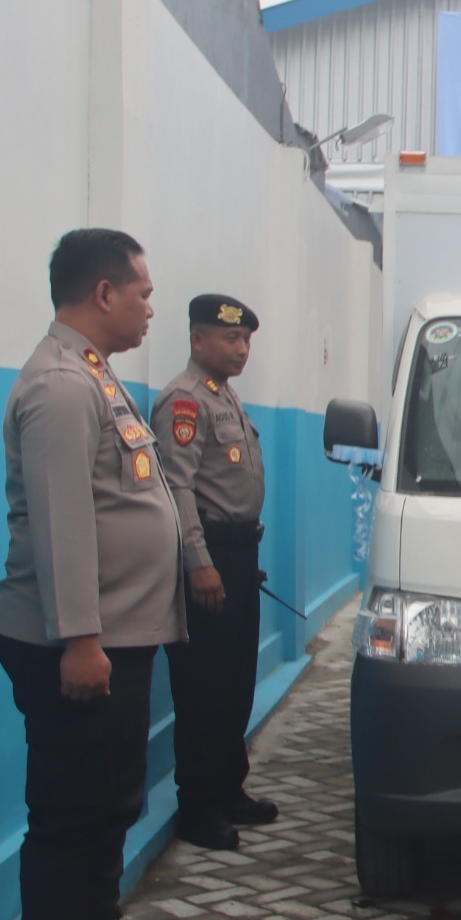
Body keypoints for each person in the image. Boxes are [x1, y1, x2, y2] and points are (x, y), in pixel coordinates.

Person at [0, 229, 188, 920]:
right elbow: (63, 523)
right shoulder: (61, 387)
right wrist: (79, 639)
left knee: (111, 803)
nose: (150, 307)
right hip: (74, 646)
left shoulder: (95, 377)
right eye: (142, 292)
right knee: (69, 815)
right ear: (103, 293)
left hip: (115, 638)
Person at [153, 294, 277, 853]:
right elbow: (177, 487)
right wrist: (198, 562)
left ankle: (229, 789)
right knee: (204, 686)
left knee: (235, 681)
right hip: (209, 556)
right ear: (197, 339)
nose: (241, 348)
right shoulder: (184, 401)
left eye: (246, 339)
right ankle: (199, 806)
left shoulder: (224, 397)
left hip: (240, 554)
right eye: (230, 338)